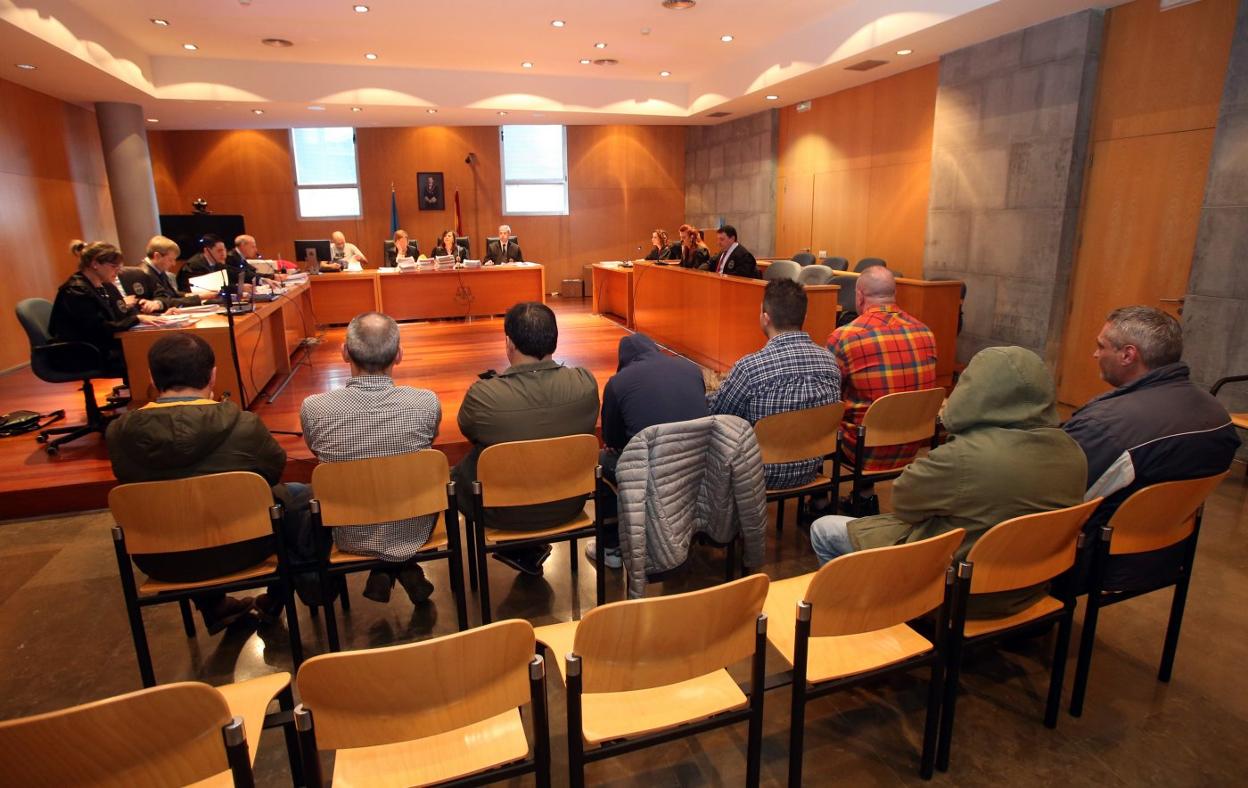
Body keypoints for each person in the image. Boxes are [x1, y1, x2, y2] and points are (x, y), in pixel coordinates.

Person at [809, 346, 1087, 618]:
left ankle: (864, 616)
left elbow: (904, 503)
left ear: (976, 393)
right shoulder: (1073, 452)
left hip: (956, 593)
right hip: (1028, 588)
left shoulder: (965, 457)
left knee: (823, 529)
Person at [106, 333, 315, 632]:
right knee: (300, 497)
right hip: (247, 546)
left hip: (162, 558)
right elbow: (272, 472)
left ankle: (213, 606)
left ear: (151, 377)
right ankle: (278, 596)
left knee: (172, 507)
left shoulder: (118, 434)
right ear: (213, 374)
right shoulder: (244, 425)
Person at [1062, 306, 1241, 591]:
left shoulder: (1106, 427)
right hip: (1168, 553)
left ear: (1128, 355)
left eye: (1101, 346)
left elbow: (1055, 496)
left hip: (1095, 563)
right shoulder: (1218, 416)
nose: (1095, 354)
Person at [300, 312, 443, 605]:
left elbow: (318, 454)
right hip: (415, 526)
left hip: (348, 531)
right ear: (399, 355)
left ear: (344, 352)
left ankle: (386, 570)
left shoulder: (315, 409)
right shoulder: (426, 403)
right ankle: (400, 567)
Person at [454, 302, 599, 576]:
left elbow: (468, 429)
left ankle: (522, 547)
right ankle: (528, 548)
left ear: (509, 343)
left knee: (466, 468)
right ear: (554, 340)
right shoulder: (585, 384)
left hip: (501, 510)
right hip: (569, 503)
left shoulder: (484, 396)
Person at [586, 333, 709, 568]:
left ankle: (611, 547)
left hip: (651, 471)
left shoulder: (617, 383)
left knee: (602, 460)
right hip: (698, 462)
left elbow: (612, 440)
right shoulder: (691, 368)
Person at [823, 266, 938, 515]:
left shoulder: (845, 336)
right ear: (894, 294)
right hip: (912, 444)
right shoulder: (926, 332)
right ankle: (864, 496)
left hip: (864, 449)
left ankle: (819, 502)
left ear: (860, 296)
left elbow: (828, 398)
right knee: (872, 405)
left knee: (818, 418)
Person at [709, 279, 841, 490]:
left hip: (756, 475)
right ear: (804, 317)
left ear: (765, 318)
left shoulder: (750, 368)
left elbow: (718, 415)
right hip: (810, 469)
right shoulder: (830, 364)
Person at [50, 242, 157, 377]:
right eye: (114, 266)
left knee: (148, 347)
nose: (118, 270)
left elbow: (123, 312)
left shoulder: (106, 286)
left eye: (119, 266)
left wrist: (153, 316)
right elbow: (99, 329)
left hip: (101, 345)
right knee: (142, 353)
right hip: (83, 352)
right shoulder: (76, 291)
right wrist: (136, 319)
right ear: (95, 264)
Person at [119, 235, 204, 312]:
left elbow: (171, 294)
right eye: (170, 260)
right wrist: (199, 297)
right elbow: (163, 300)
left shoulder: (158, 270)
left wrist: (189, 295)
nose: (173, 264)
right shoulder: (141, 274)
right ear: (157, 256)